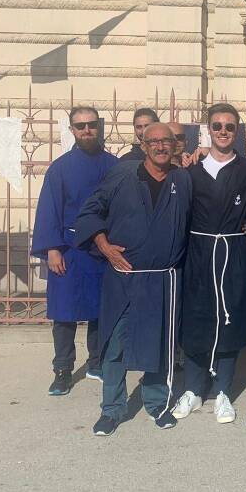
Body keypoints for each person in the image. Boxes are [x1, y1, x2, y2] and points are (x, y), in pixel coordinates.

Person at [74, 123, 192, 436]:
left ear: (174, 146)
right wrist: (104, 246)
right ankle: (112, 409)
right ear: (142, 144)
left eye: (166, 141)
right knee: (114, 344)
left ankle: (157, 404)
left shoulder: (183, 179)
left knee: (160, 345)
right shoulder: (122, 175)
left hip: (163, 280)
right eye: (153, 141)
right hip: (124, 278)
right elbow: (89, 213)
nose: (161, 147)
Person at [172, 104, 246, 425]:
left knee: (229, 319)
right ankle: (193, 390)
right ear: (208, 129)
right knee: (196, 319)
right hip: (198, 253)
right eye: (218, 126)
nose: (223, 132)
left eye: (230, 127)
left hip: (232, 253)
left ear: (237, 132)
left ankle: (223, 390)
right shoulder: (191, 171)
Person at [32, 106, 119, 396]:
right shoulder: (60, 168)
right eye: (80, 126)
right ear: (72, 130)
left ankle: (97, 362)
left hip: (101, 249)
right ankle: (62, 370)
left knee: (99, 311)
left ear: (99, 126)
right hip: (68, 249)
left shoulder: (114, 166)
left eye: (91, 125)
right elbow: (49, 210)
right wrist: (52, 249)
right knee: (65, 313)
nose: (86, 131)